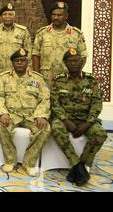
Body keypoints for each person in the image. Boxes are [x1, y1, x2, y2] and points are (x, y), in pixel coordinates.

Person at [50, 48, 107, 186]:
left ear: (82, 62)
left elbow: (96, 104)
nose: (73, 63)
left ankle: (82, 164)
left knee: (100, 134)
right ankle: (77, 166)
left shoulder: (91, 81)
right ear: (65, 63)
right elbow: (54, 103)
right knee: (56, 128)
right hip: (65, 119)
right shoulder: (59, 80)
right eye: (70, 61)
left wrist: (88, 123)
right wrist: (66, 120)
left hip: (86, 119)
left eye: (76, 61)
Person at [0, 48, 50, 176]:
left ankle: (29, 163)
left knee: (45, 128)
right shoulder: (4, 78)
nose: (20, 63)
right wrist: (2, 113)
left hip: (31, 115)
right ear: (12, 63)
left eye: (23, 60)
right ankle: (10, 161)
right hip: (12, 114)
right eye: (17, 61)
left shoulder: (37, 78)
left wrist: (41, 115)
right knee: (0, 125)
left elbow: (45, 98)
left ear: (27, 62)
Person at [32, 1, 88, 88]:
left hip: (67, 80)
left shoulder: (76, 34)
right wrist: (37, 76)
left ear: (66, 16)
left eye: (59, 15)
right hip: (46, 80)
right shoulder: (42, 33)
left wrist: (75, 75)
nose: (56, 17)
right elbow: (36, 55)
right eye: (53, 15)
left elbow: (83, 56)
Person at [0, 3, 32, 74]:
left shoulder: (23, 31)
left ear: (14, 16)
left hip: (16, 72)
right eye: (5, 14)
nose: (7, 16)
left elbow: (28, 52)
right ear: (1, 17)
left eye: (10, 14)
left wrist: (29, 69)